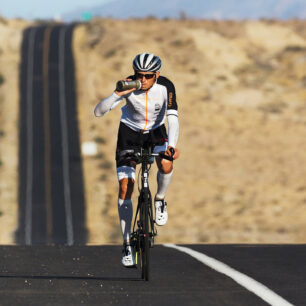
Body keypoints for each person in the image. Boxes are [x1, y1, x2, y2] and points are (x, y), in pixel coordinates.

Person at [94, 52, 179, 267]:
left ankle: (159, 199)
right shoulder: (128, 85)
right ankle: (126, 243)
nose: (142, 80)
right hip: (129, 134)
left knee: (166, 163)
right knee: (125, 186)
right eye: (138, 75)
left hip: (155, 132)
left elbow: (173, 119)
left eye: (148, 76)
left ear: (157, 74)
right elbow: (98, 112)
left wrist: (171, 147)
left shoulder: (166, 86)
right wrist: (116, 94)